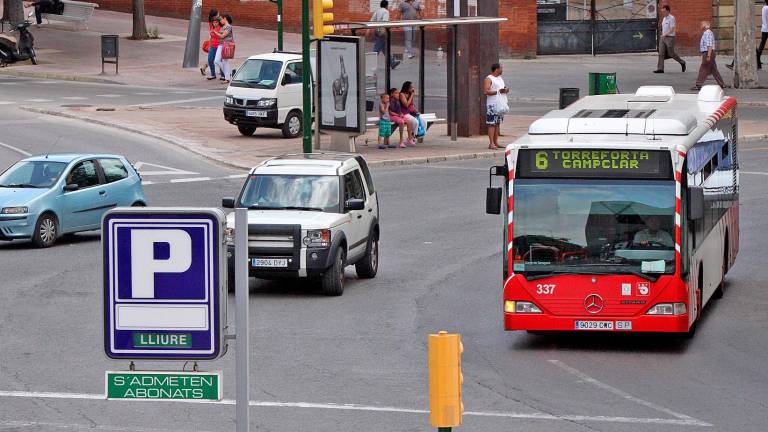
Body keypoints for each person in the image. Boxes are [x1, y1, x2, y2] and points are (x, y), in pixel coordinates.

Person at [726, 0, 767, 71]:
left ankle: (734, 64)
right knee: (754, 48)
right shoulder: (747, 10)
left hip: (753, 30)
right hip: (748, 31)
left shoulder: (763, 8)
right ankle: (758, 64)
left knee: (743, 47)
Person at [692, 21, 725, 90]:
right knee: (713, 69)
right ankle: (721, 84)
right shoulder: (706, 33)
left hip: (708, 52)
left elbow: (709, 45)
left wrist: (708, 55)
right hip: (708, 52)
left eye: (702, 24)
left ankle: (698, 85)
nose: (701, 25)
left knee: (703, 69)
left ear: (707, 25)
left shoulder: (708, 33)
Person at [654, 5, 686, 74]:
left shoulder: (672, 18)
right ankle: (660, 69)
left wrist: (665, 34)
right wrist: (662, 34)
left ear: (668, 11)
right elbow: (664, 27)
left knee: (671, 53)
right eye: (662, 11)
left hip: (670, 38)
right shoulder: (664, 18)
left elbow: (672, 29)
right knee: (661, 53)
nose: (663, 13)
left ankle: (682, 62)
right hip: (663, 38)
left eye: (664, 11)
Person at [483, 63, 508, 150]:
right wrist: (498, 91)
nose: (502, 70)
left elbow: (501, 89)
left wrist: (505, 90)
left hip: (500, 104)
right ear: (496, 69)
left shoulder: (500, 78)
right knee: (491, 124)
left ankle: (496, 142)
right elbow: (486, 91)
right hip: (492, 105)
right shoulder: (489, 79)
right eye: (501, 68)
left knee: (497, 124)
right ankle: (491, 143)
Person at [370, 0, 400, 69]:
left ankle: (392, 62)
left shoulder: (377, 11)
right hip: (382, 32)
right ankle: (369, 63)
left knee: (385, 49)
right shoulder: (386, 12)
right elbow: (384, 22)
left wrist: (369, 30)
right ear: (386, 5)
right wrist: (382, 32)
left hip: (376, 30)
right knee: (376, 49)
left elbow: (372, 20)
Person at [201, 8, 224, 80]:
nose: (219, 14)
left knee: (219, 61)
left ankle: (223, 75)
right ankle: (213, 74)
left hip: (220, 45)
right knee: (210, 60)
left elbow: (224, 22)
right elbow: (210, 18)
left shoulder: (221, 23)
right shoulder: (211, 24)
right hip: (212, 45)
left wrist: (219, 17)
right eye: (218, 13)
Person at [213, 14, 234, 83]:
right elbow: (220, 37)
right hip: (221, 45)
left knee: (225, 61)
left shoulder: (228, 27)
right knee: (216, 60)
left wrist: (215, 32)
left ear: (225, 19)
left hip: (226, 45)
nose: (220, 21)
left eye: (221, 19)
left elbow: (222, 36)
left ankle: (227, 78)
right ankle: (227, 74)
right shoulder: (223, 27)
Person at [399, 81, 419, 146]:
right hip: (403, 113)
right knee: (415, 122)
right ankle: (411, 137)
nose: (412, 88)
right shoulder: (402, 94)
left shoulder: (410, 94)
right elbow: (406, 105)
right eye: (411, 87)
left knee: (422, 121)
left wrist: (414, 110)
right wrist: (412, 96)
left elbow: (411, 105)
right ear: (407, 87)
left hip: (409, 112)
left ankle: (411, 137)